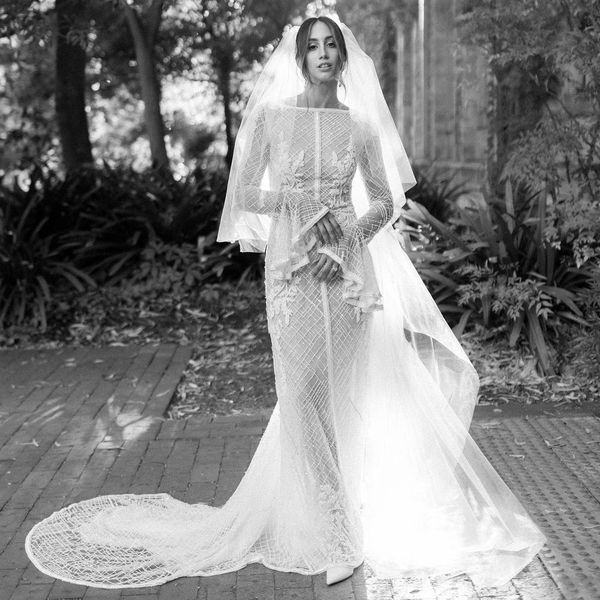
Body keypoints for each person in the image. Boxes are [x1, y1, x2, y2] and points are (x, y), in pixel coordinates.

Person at [25, 16, 547, 590]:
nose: (323, 54)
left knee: (338, 395)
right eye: (313, 47)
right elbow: (245, 191)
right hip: (292, 270)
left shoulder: (361, 126)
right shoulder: (274, 117)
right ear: (299, 58)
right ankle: (337, 531)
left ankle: (342, 515)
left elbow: (382, 200)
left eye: (331, 46)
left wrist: (345, 239)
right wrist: (296, 200)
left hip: (345, 272)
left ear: (344, 57)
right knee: (300, 395)